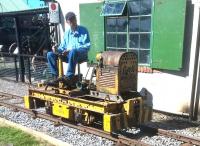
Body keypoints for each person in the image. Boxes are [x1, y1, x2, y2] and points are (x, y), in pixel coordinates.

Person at [47, 12, 90, 80]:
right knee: (50, 54)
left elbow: (87, 46)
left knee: (73, 51)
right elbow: (62, 47)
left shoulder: (83, 30)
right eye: (71, 19)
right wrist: (56, 50)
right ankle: (56, 77)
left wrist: (70, 51)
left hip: (81, 55)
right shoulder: (67, 33)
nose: (73, 21)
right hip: (68, 56)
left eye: (74, 18)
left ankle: (69, 76)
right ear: (67, 22)